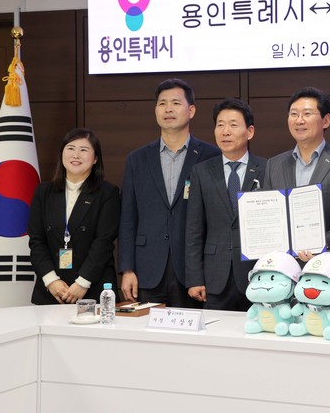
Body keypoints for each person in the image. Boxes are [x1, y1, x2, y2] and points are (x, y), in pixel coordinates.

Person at [263, 87, 330, 314]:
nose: (299, 120)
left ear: (326, 120)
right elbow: (269, 216)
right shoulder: (273, 165)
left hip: (329, 278)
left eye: (307, 113)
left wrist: (321, 243)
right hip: (282, 279)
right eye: (294, 114)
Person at [118, 78, 219, 308]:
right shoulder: (137, 159)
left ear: (191, 111)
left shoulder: (210, 156)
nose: (168, 109)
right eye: (162, 103)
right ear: (155, 110)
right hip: (146, 268)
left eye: (175, 103)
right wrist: (127, 268)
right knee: (147, 330)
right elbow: (127, 219)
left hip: (193, 272)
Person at [185, 98, 266, 311]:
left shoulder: (267, 168)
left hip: (257, 275)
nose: (225, 131)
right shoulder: (201, 171)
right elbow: (194, 228)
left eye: (233, 125)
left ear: (249, 132)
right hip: (214, 277)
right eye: (220, 125)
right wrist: (194, 278)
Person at [28, 128, 120, 305]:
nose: (76, 155)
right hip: (52, 290)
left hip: (93, 288)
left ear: (95, 159)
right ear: (62, 153)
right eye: (70, 148)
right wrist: (51, 280)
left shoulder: (107, 193)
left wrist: (83, 282)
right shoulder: (43, 192)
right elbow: (36, 241)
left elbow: (104, 242)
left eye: (84, 150)